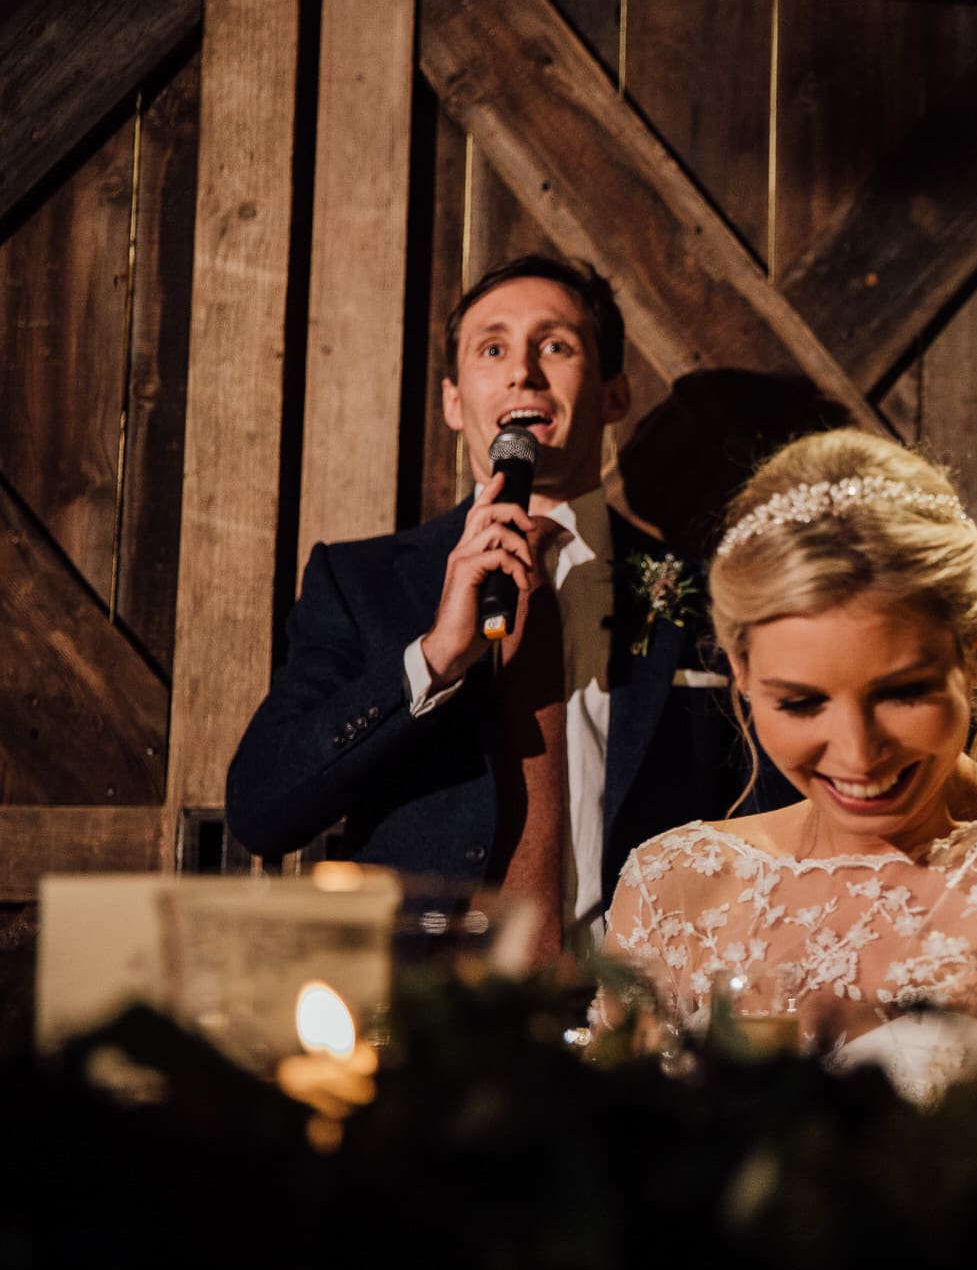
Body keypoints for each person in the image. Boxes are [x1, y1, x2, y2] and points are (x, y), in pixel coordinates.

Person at [599, 429, 977, 1124]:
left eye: (902, 693)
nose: (859, 754)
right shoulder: (672, 886)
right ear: (741, 672)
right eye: (801, 702)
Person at [226, 255, 786, 957]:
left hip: (643, 1026)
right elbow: (260, 810)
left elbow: (774, 819)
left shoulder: (709, 594)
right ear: (455, 400)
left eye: (556, 345)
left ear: (614, 394)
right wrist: (434, 660)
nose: (523, 370)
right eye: (493, 349)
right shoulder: (361, 581)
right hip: (427, 1028)